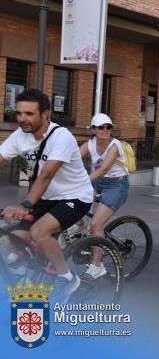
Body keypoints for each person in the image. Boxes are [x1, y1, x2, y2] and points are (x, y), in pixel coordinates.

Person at [0, 89, 93, 303]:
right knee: (10, 239)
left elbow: (46, 175)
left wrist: (24, 204)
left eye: (29, 114)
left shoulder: (61, 136)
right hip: (47, 198)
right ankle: (29, 271)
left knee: (39, 232)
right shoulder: (19, 136)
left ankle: (67, 277)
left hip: (75, 196)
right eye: (19, 113)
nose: (23, 119)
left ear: (45, 114)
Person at [79, 113, 129, 279]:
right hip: (97, 181)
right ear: (93, 130)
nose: (105, 130)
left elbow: (103, 169)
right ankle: (83, 230)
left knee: (96, 224)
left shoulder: (114, 146)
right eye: (101, 127)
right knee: (70, 205)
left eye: (108, 127)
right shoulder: (90, 144)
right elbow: (73, 159)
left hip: (117, 184)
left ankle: (97, 265)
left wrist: (84, 182)